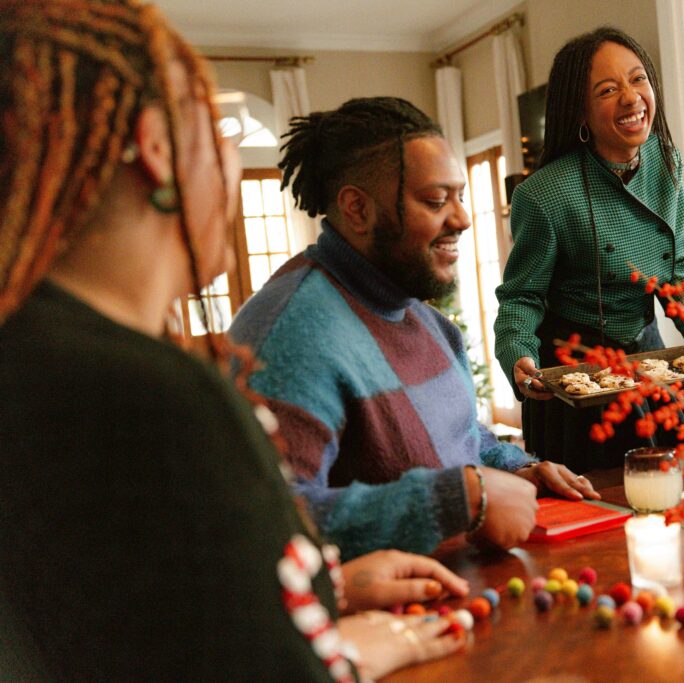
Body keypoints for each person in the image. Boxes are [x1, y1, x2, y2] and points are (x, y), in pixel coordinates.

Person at [0, 2, 465, 679]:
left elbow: (136, 608)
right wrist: (348, 650)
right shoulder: (160, 394)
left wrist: (332, 588)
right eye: (215, 129)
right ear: (159, 148)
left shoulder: (30, 356)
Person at [228, 97, 599, 561]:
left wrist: (521, 468)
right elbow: (261, 522)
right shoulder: (291, 336)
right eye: (435, 200)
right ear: (357, 209)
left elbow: (463, 437)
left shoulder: (432, 326)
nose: (462, 219)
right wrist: (456, 499)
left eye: (460, 196)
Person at [493, 27, 684, 473]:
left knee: (674, 501)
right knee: (599, 519)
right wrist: (518, 354)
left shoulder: (665, 162)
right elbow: (523, 296)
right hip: (573, 378)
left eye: (638, 79)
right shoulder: (544, 195)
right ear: (579, 110)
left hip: (646, 356)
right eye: (608, 89)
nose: (631, 97)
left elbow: (678, 266)